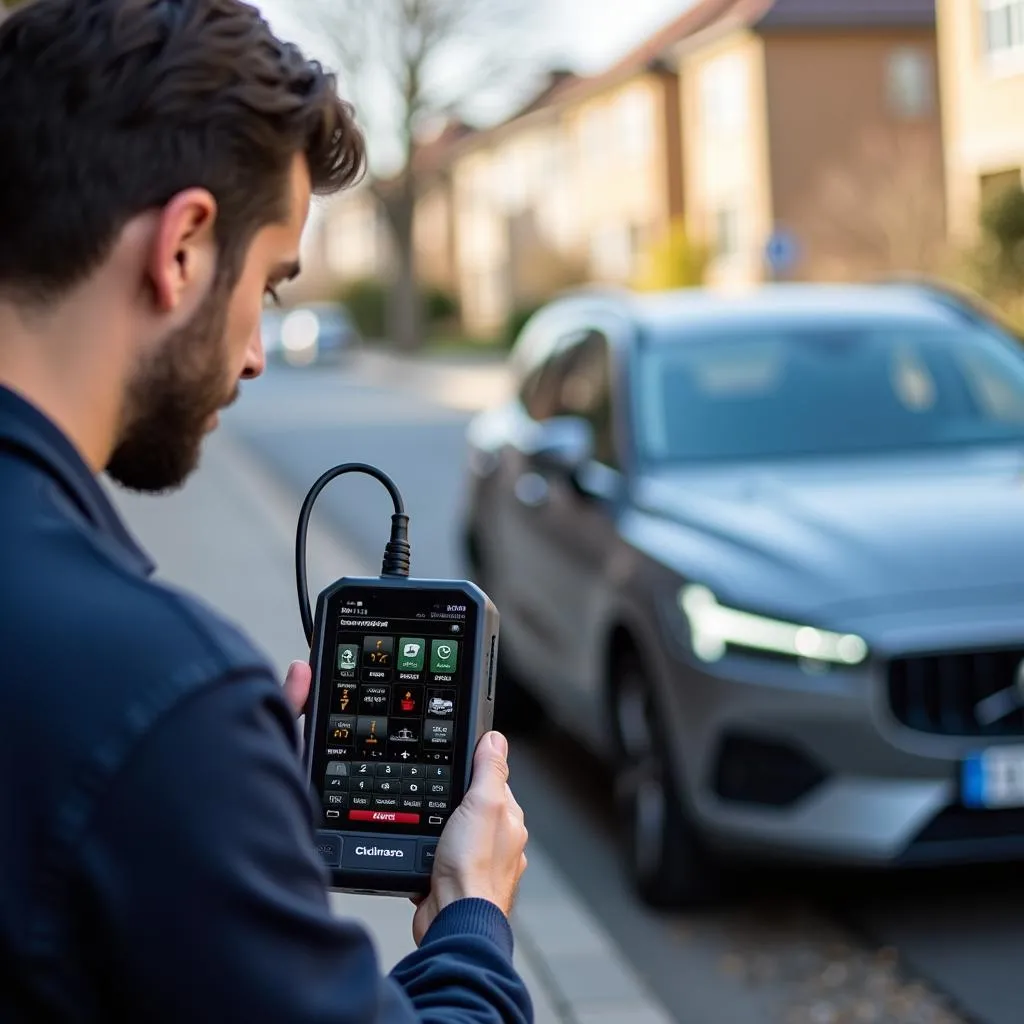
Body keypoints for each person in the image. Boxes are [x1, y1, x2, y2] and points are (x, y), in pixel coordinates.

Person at [0, 1, 531, 1021]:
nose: (252, 354)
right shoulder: (159, 699)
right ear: (185, 247)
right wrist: (472, 918)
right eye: (271, 287)